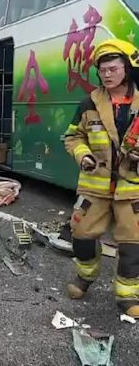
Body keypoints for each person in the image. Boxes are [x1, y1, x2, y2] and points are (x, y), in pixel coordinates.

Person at [64, 39, 139, 317]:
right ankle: (85, 277)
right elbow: (73, 136)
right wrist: (82, 154)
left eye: (113, 69)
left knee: (133, 245)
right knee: (82, 237)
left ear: (127, 69)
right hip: (95, 186)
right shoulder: (89, 103)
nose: (107, 75)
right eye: (103, 70)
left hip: (132, 189)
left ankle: (127, 295)